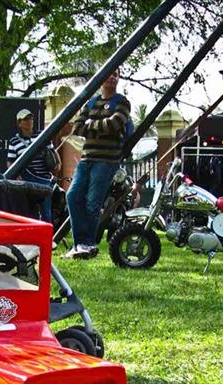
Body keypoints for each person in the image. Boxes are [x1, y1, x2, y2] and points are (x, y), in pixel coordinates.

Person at [64, 68, 131, 259]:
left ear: (118, 79)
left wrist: (91, 126)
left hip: (107, 160)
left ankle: (87, 244)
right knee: (72, 196)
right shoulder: (91, 102)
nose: (112, 77)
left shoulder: (122, 102)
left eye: (115, 74)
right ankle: (81, 244)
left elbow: (115, 124)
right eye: (109, 74)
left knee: (92, 203)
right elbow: (77, 127)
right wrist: (101, 126)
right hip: (86, 158)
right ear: (101, 78)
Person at [7, 108, 60, 222]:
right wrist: (16, 175)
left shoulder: (42, 135)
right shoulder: (14, 141)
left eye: (30, 118)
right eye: (25, 119)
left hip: (44, 179)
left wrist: (58, 164)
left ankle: (47, 238)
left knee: (46, 213)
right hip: (27, 181)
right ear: (19, 123)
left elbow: (53, 151)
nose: (29, 121)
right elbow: (10, 161)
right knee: (29, 213)